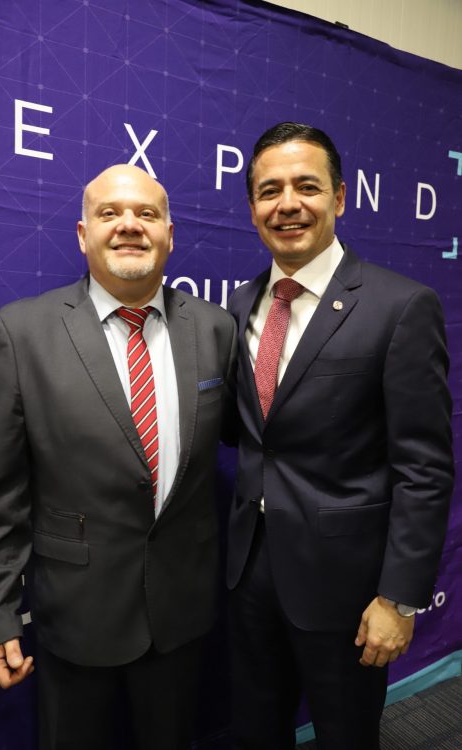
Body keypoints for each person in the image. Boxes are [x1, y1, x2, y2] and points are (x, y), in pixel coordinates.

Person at [0, 164, 237, 750]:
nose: (129, 225)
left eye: (147, 214)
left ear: (169, 234)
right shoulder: (21, 333)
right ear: (84, 234)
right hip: (75, 614)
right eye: (110, 213)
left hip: (182, 613)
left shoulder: (217, 329)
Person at [226, 122, 453, 750]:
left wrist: (398, 599)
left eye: (307, 186)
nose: (288, 204)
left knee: (346, 734)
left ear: (341, 197)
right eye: (270, 191)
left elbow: (424, 469)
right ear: (252, 208)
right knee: (254, 729)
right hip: (249, 572)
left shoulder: (399, 306)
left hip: (347, 586)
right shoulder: (240, 306)